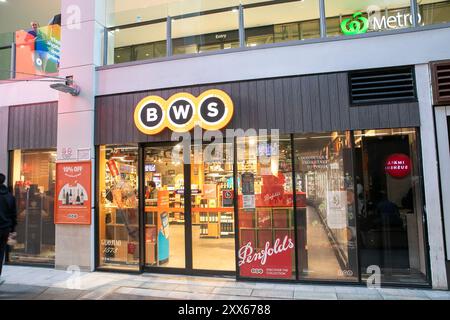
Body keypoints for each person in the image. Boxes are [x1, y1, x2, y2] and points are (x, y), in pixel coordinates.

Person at [0, 173, 17, 285]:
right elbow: (13, 214)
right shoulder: (10, 196)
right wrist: (12, 229)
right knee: (0, 255)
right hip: (4, 230)